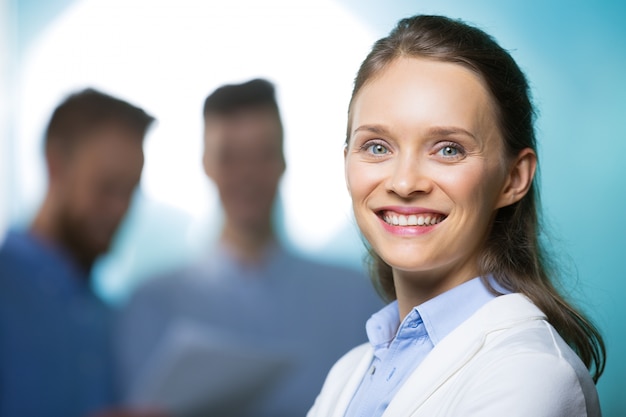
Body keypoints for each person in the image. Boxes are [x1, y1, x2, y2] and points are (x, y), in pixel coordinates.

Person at [307, 14, 605, 417]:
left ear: (513, 179)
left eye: (448, 149)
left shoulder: (530, 374)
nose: (405, 181)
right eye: (377, 147)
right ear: (347, 163)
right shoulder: (350, 372)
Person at [115, 78, 382, 416]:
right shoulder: (150, 307)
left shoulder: (358, 298)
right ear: (207, 165)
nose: (247, 175)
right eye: (230, 157)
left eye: (261, 155)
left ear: (283, 161)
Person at [0, 88, 163, 417]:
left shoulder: (107, 315)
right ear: (56, 165)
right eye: (106, 187)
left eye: (130, 191)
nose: (120, 209)